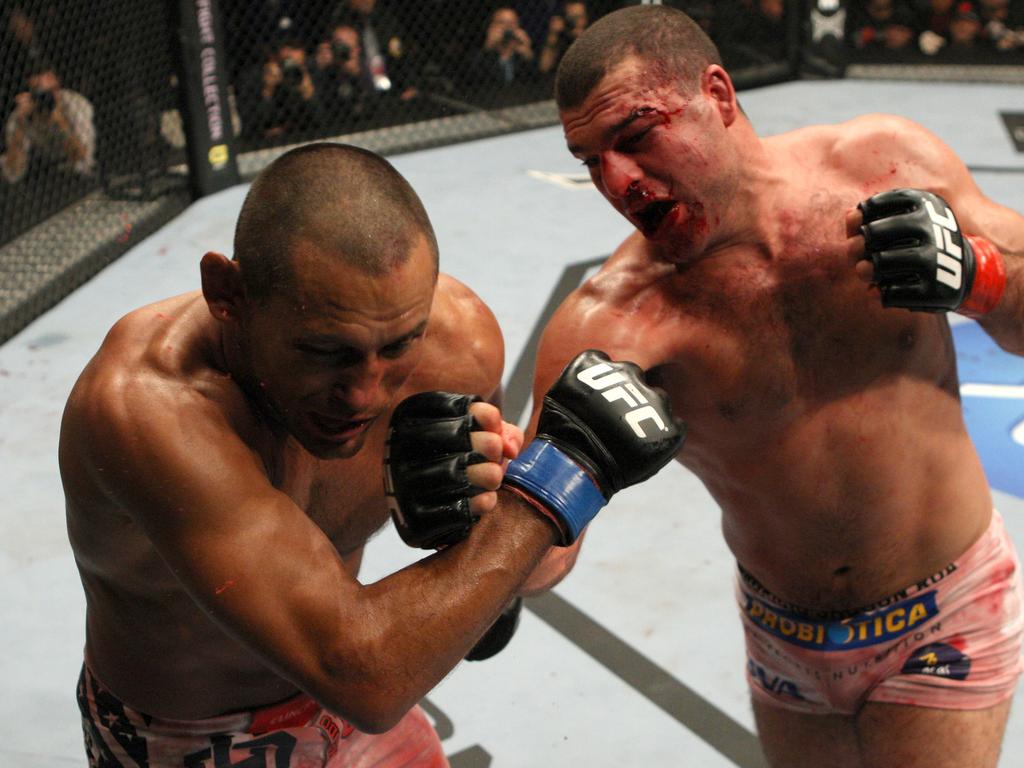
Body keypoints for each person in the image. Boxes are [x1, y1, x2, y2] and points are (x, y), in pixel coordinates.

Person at [62, 140, 682, 767]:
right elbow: (365, 674)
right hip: (196, 736)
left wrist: (481, 540)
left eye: (398, 345)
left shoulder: (455, 349)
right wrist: (563, 474)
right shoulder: (147, 408)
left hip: (352, 694)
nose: (364, 392)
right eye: (326, 351)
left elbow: (529, 564)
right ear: (228, 294)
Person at [544, 5, 1024, 766]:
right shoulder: (612, 324)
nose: (619, 181)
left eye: (636, 137)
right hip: (784, 638)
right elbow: (546, 553)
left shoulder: (882, 168)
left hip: (946, 612)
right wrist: (474, 504)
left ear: (719, 96)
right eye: (591, 160)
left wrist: (984, 276)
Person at [1, 60, 95, 184]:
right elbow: (13, 172)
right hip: (40, 176)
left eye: (47, 92)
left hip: (76, 176)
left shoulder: (76, 105)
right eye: (38, 93)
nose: (45, 99)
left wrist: (61, 123)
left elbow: (83, 161)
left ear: (57, 86)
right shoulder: (21, 115)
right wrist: (21, 125)